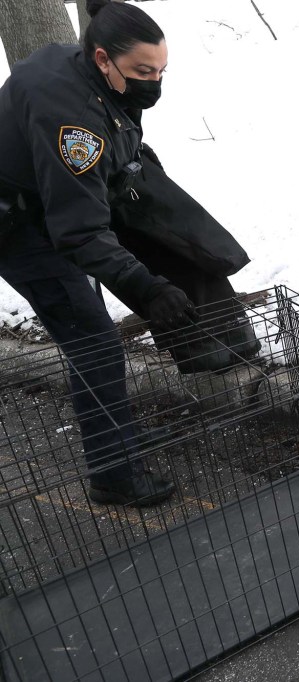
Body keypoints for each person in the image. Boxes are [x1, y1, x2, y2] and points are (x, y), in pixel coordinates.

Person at [0, 0, 196, 506]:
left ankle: (117, 438)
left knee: (90, 332)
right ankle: (113, 473)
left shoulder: (88, 71)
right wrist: (147, 289)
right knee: (95, 340)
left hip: (43, 205)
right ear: (104, 58)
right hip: (16, 227)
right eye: (143, 72)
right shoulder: (75, 121)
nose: (154, 82)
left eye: (161, 70)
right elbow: (79, 232)